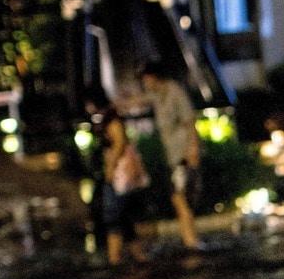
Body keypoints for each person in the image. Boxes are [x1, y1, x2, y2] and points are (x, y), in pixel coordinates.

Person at [139, 62, 201, 250]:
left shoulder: (174, 91)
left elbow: (190, 121)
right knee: (180, 198)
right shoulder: (159, 94)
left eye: (146, 78)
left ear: (153, 77)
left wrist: (192, 150)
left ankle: (191, 241)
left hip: (182, 154)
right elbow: (140, 100)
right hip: (174, 155)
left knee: (179, 197)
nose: (144, 82)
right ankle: (189, 239)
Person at [84, 90, 150, 265]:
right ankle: (137, 255)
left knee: (112, 214)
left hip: (119, 175)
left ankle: (115, 258)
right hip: (118, 174)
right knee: (123, 216)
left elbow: (120, 143)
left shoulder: (111, 120)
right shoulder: (108, 118)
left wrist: (110, 167)